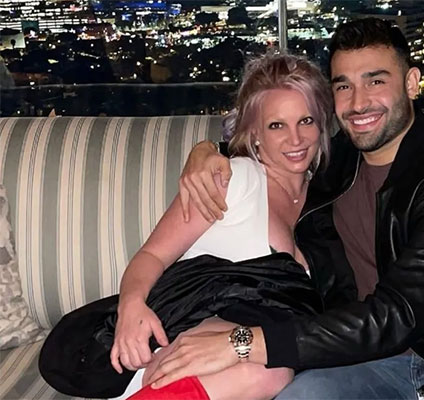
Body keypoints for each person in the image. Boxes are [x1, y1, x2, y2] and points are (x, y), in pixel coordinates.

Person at [153, 18, 424, 400]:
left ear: (411, 83)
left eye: (376, 81)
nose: (359, 103)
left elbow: (395, 317)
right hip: (363, 361)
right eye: (344, 86)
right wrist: (208, 151)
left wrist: (242, 343)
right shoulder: (337, 162)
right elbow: (272, 145)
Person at [38, 52, 333, 400]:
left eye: (306, 121)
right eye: (276, 125)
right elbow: (153, 254)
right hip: (189, 342)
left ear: (322, 123)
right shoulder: (229, 180)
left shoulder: (329, 197)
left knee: (273, 368)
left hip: (251, 351)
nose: (295, 139)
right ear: (254, 132)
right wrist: (131, 306)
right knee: (268, 372)